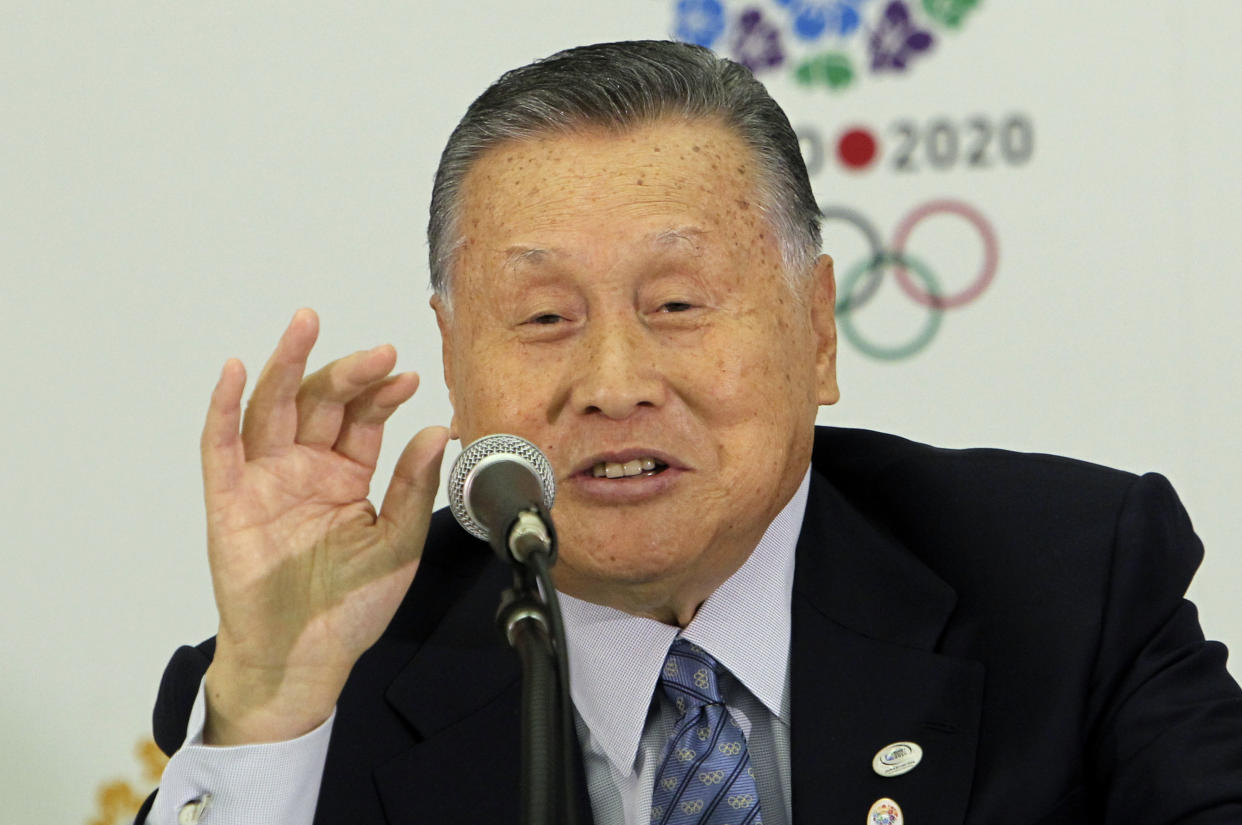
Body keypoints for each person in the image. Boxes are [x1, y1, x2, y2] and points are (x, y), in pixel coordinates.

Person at [136, 40, 1242, 825]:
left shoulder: (1064, 588)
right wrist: (272, 708)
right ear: (456, 361)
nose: (613, 383)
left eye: (676, 304)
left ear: (816, 330)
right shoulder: (324, 681)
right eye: (542, 319)